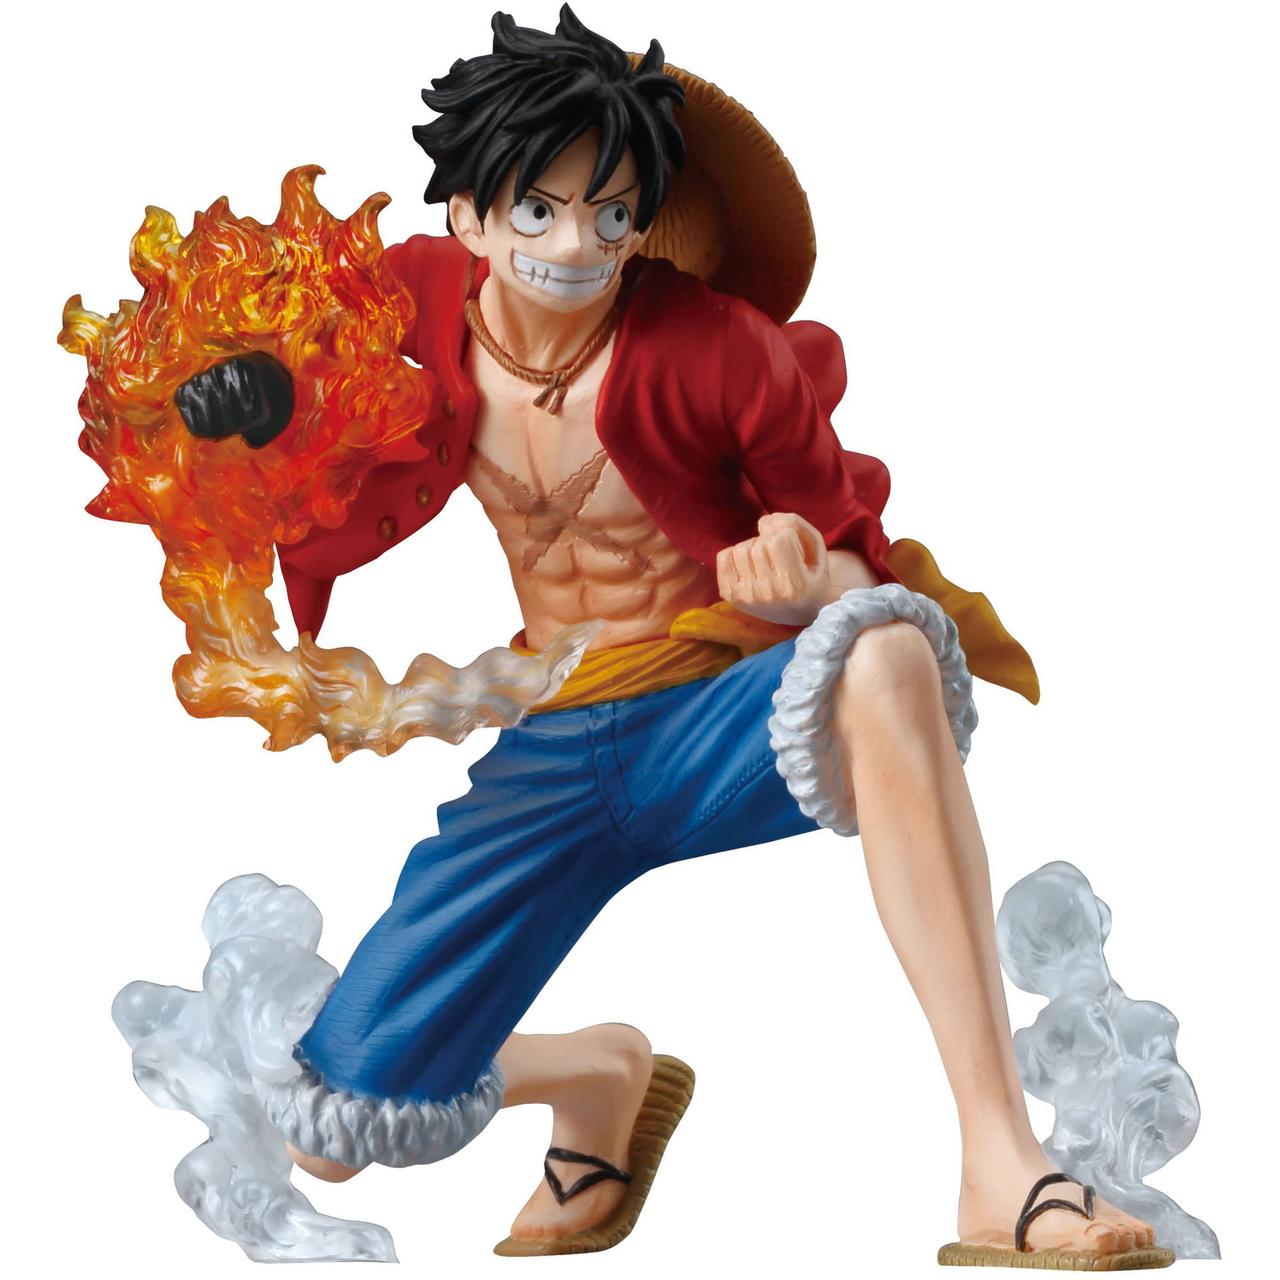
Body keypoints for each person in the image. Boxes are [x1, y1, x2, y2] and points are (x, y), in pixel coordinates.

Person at [175, 5, 1167, 1267]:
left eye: (610, 213)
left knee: (885, 648)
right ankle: (598, 1077)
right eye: (538, 209)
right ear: (468, 216)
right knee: (330, 1118)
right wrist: (250, 401)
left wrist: (804, 579)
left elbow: (854, 553)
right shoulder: (402, 313)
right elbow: (275, 365)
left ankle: (998, 1160)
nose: (574, 244)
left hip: (712, 716)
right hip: (553, 742)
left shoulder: (718, 349)